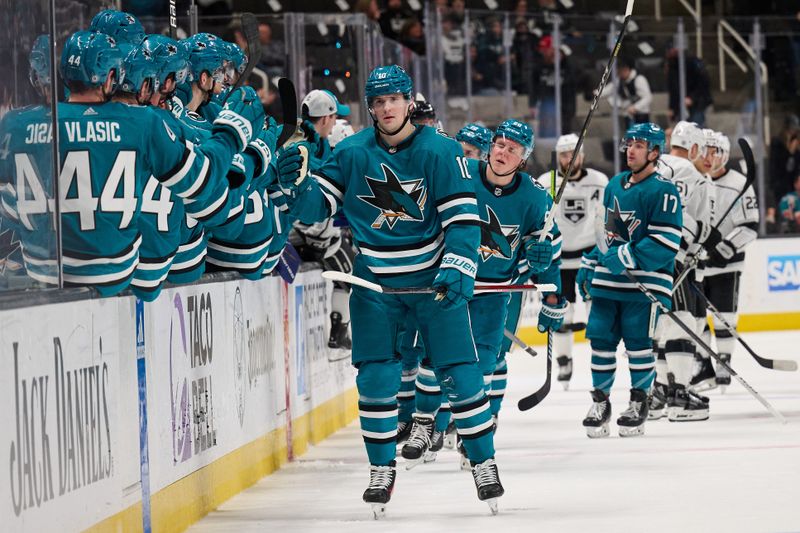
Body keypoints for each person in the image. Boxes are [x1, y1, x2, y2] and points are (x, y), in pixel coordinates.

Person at [276, 65, 504, 516]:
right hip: (375, 283)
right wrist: (293, 183)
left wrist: (460, 263)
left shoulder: (440, 150)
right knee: (376, 379)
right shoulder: (351, 151)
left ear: (407, 101)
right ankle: (381, 469)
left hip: (433, 282)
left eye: (393, 100)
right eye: (378, 102)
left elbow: (462, 217)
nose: (386, 109)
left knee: (460, 375)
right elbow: (315, 208)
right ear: (371, 107)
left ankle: (484, 462)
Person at [30, 30, 262, 295]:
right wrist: (234, 139)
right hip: (133, 277)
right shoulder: (148, 125)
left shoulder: (26, 124)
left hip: (44, 279)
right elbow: (218, 207)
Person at [577, 122, 682, 438]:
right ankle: (601, 402)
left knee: (639, 345)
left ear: (654, 152)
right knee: (601, 342)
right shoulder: (615, 185)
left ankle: (639, 402)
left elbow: (666, 242)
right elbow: (606, 234)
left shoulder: (664, 190)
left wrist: (623, 257)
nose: (631, 150)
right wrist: (591, 261)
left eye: (639, 145)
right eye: (630, 144)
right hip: (608, 284)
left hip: (644, 287)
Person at [650, 121, 714, 421]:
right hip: (672, 257)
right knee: (682, 322)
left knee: (659, 326)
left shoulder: (649, 166)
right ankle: (679, 399)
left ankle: (658, 391)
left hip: (638, 258)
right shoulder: (692, 174)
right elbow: (686, 221)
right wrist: (704, 237)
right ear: (695, 148)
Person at [537, 133, 609, 390]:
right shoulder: (548, 182)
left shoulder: (599, 181)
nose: (569, 159)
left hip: (589, 259)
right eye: (564, 154)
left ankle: (599, 360)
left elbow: (605, 219)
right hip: (560, 260)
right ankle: (564, 361)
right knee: (562, 314)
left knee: (595, 312)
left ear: (583, 156)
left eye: (574, 153)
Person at [691, 131, 759, 391]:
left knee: (724, 316)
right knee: (695, 318)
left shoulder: (739, 183)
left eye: (714, 151)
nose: (709, 157)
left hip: (726, 264)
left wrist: (727, 247)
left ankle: (724, 362)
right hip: (696, 264)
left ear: (725, 154)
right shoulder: (695, 180)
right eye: (705, 150)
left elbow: (751, 225)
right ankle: (703, 362)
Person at [289, 89, 356, 349]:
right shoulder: (308, 146)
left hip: (299, 236)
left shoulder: (309, 141)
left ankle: (340, 330)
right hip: (301, 239)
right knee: (351, 272)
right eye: (335, 114)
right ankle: (339, 330)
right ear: (326, 118)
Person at [600, 56, 652, 128]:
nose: (619, 74)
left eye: (620, 71)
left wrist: (635, 107)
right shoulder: (620, 81)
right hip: (628, 114)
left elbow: (647, 97)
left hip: (641, 115)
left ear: (626, 69)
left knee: (641, 136)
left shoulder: (639, 79)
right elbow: (608, 89)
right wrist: (597, 93)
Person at [665, 48, 713, 127]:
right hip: (682, 103)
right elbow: (673, 89)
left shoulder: (692, 62)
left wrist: (692, 98)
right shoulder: (672, 65)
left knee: (696, 125)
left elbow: (703, 83)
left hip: (697, 101)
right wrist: (672, 107)